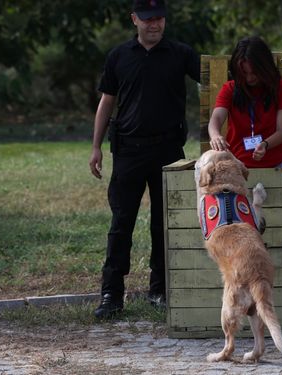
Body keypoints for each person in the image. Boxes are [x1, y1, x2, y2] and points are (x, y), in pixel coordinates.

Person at [88, 0, 200, 319]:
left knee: (165, 223)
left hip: (168, 151)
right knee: (121, 223)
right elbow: (106, 102)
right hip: (128, 152)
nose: (155, 24)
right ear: (134, 19)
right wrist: (95, 147)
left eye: (160, 19)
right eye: (148, 19)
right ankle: (111, 294)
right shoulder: (119, 56)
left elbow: (216, 84)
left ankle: (160, 289)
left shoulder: (181, 54)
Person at [207, 36, 282, 168]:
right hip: (237, 166)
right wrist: (215, 135)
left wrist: (265, 144)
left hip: (276, 165)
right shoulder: (229, 88)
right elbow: (217, 118)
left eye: (254, 73)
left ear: (265, 68)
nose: (249, 78)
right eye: (244, 73)